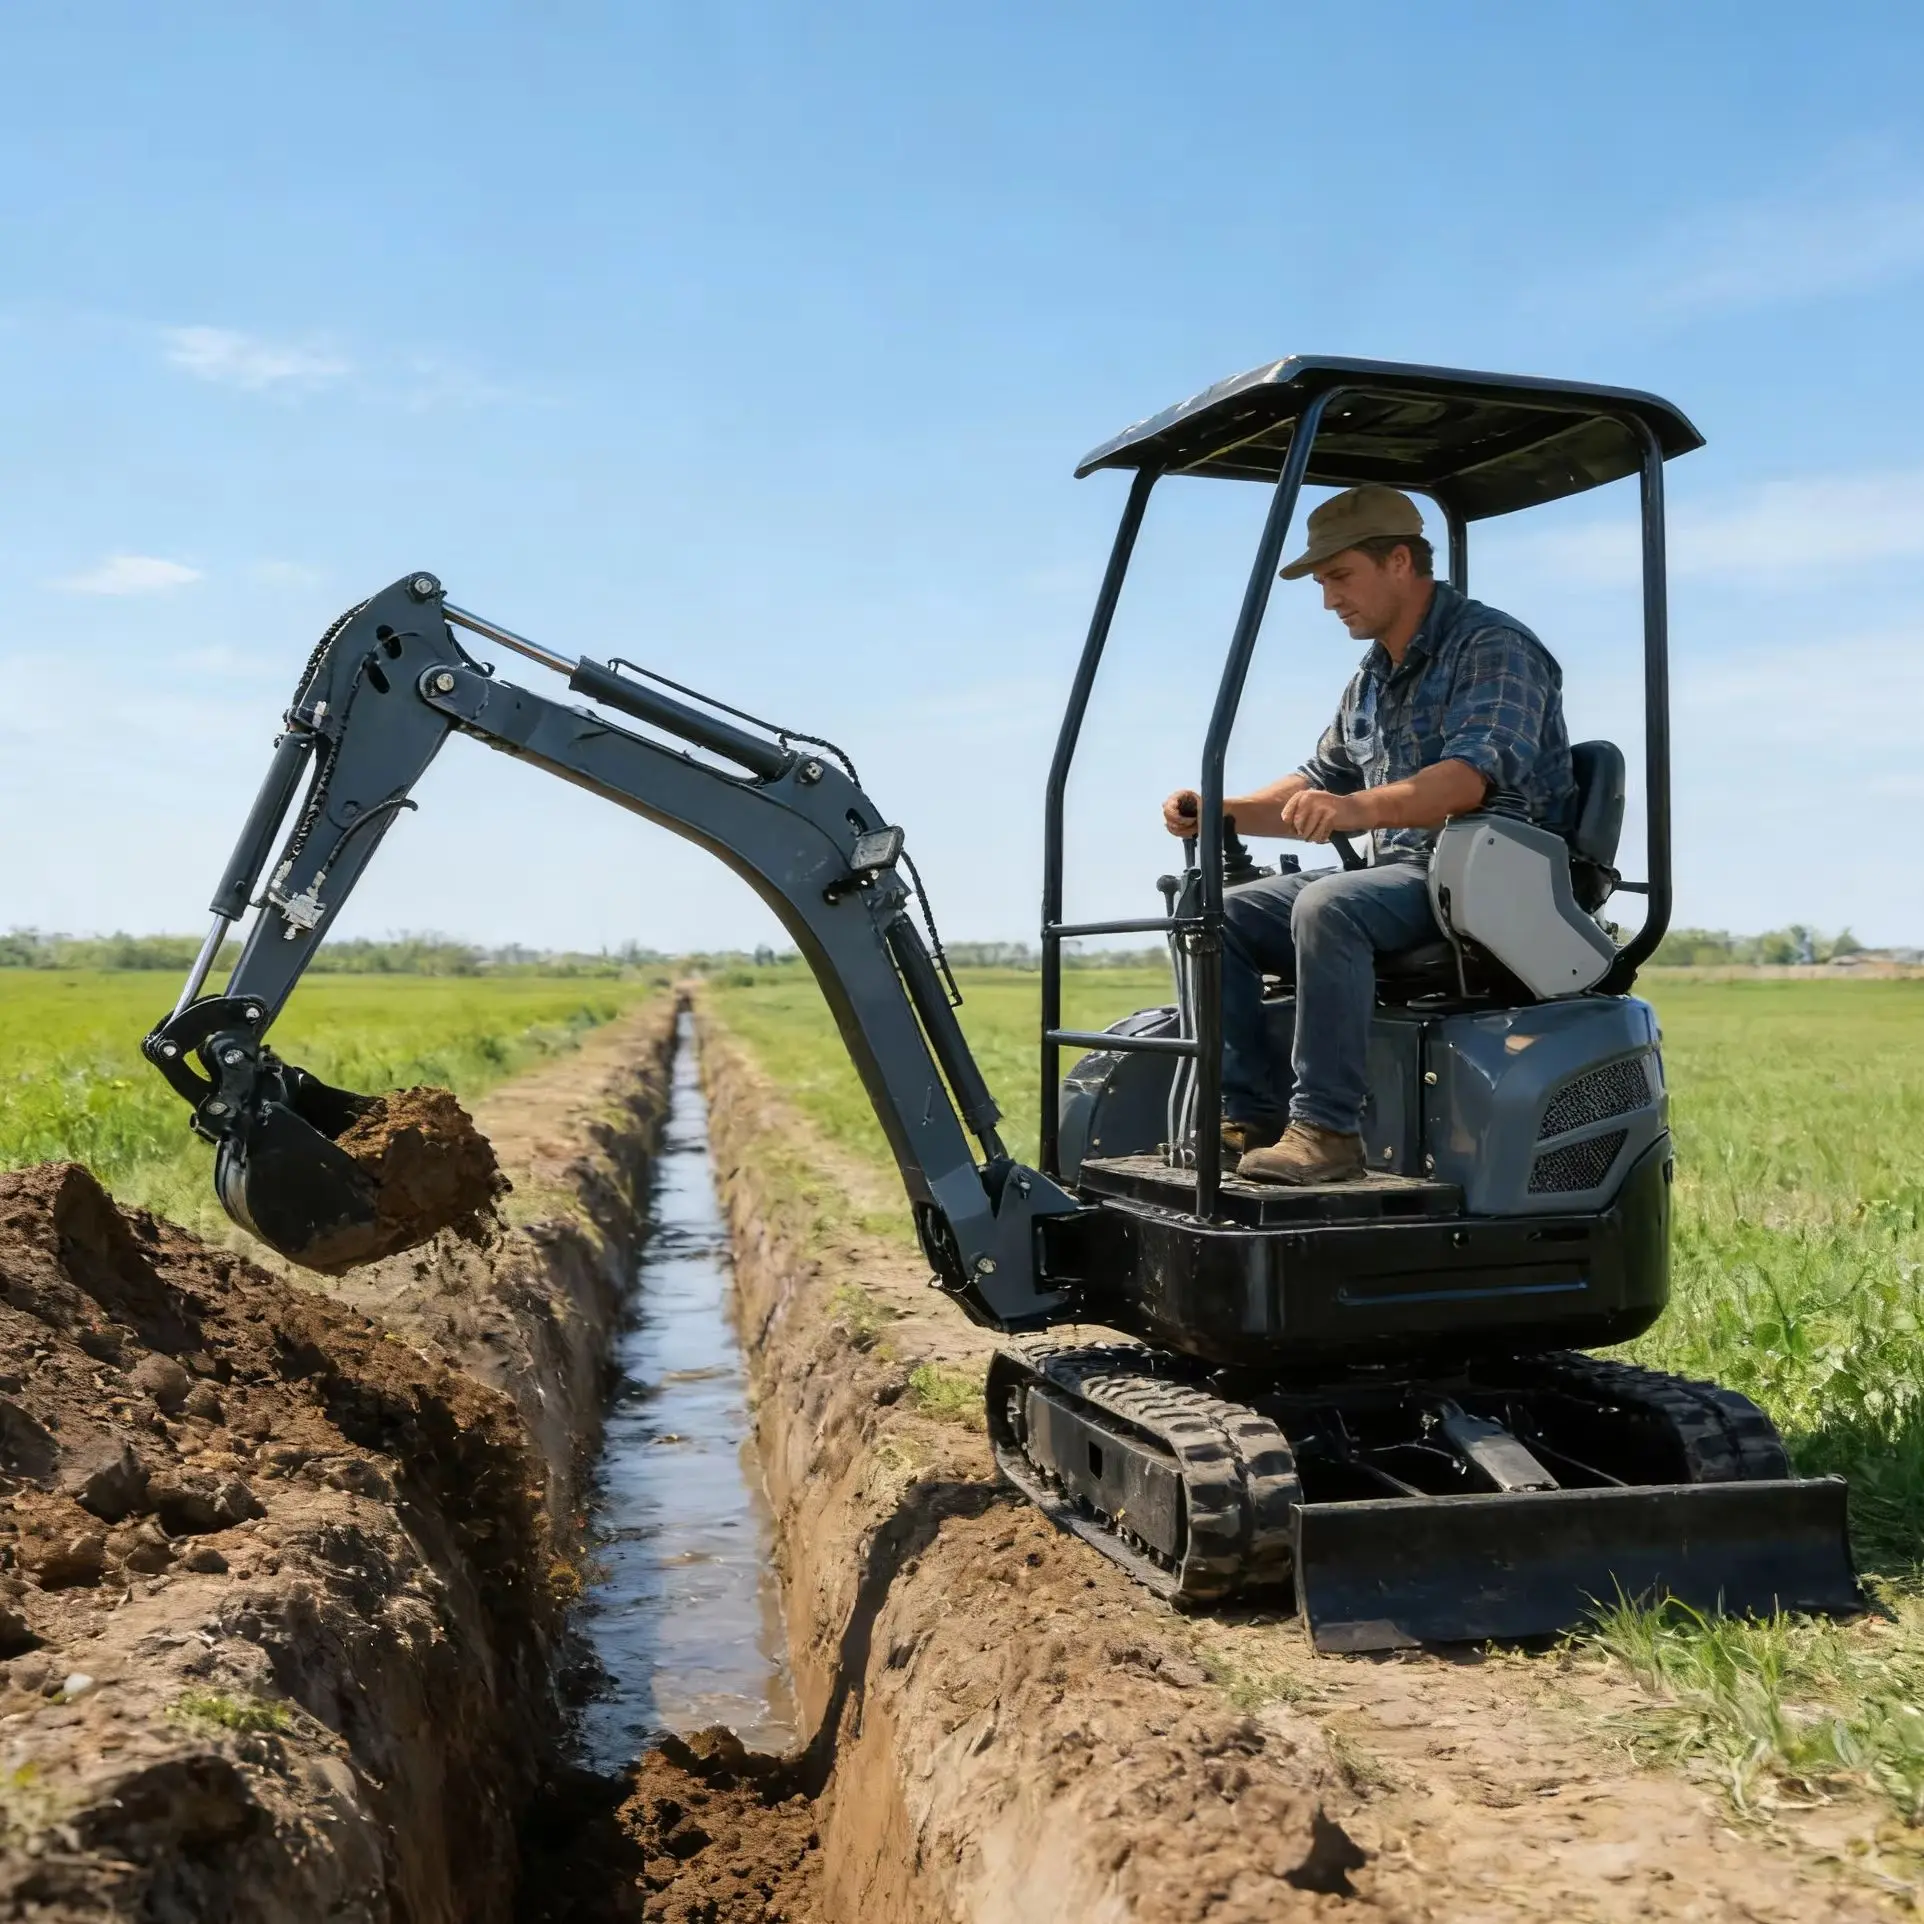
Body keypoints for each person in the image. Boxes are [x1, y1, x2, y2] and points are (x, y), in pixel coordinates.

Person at [1161, 483, 1576, 1185]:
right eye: (1323, 583)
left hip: (1489, 879)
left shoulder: (1494, 647)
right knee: (1219, 911)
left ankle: (1326, 1129)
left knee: (1330, 905)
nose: (1330, 600)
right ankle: (1246, 1115)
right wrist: (1221, 808)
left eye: (1341, 577)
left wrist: (1356, 811)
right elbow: (1315, 780)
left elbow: (1466, 781)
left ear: (1401, 563)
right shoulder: (1373, 677)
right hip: (1407, 875)